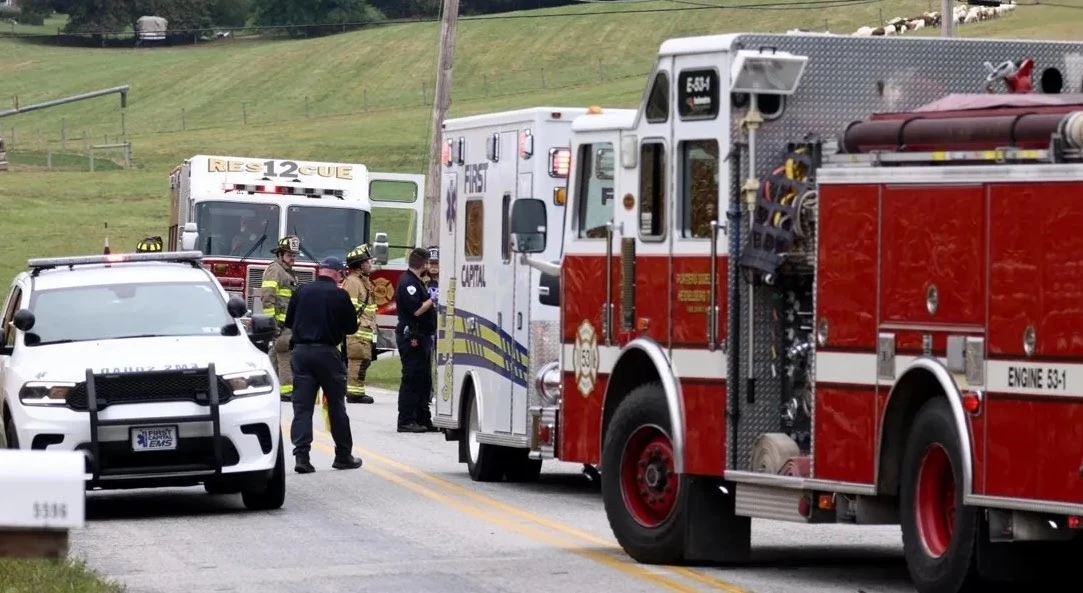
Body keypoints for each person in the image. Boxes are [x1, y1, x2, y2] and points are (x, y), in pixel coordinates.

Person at [283, 256, 365, 474]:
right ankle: (343, 455)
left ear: (321, 271)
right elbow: (351, 328)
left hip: (301, 353)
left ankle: (302, 457)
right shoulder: (340, 295)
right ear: (338, 273)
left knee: (302, 408)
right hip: (327, 354)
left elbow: (289, 321)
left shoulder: (301, 291)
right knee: (336, 406)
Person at [395, 247, 439, 433]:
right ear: (423, 264)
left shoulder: (417, 281)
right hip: (412, 336)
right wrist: (432, 300)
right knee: (412, 378)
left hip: (423, 336)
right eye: (428, 262)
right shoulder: (408, 283)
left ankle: (423, 418)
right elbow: (416, 310)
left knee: (423, 380)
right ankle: (406, 420)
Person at [261, 236, 300, 403]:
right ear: (280, 254)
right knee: (284, 352)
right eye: (290, 255)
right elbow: (267, 296)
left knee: (274, 354)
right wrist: (273, 322)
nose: (293, 258)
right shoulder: (275, 270)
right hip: (280, 323)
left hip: (287, 322)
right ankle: (286, 391)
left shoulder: (287, 272)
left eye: (294, 255)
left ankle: (265, 384)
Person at [342, 243, 377, 405]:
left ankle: (357, 391)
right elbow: (349, 308)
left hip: (364, 330)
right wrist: (354, 327)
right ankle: (354, 393)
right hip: (357, 332)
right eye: (367, 262)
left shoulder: (362, 281)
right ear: (360, 265)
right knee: (357, 361)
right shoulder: (353, 282)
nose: (370, 265)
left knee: (363, 361)